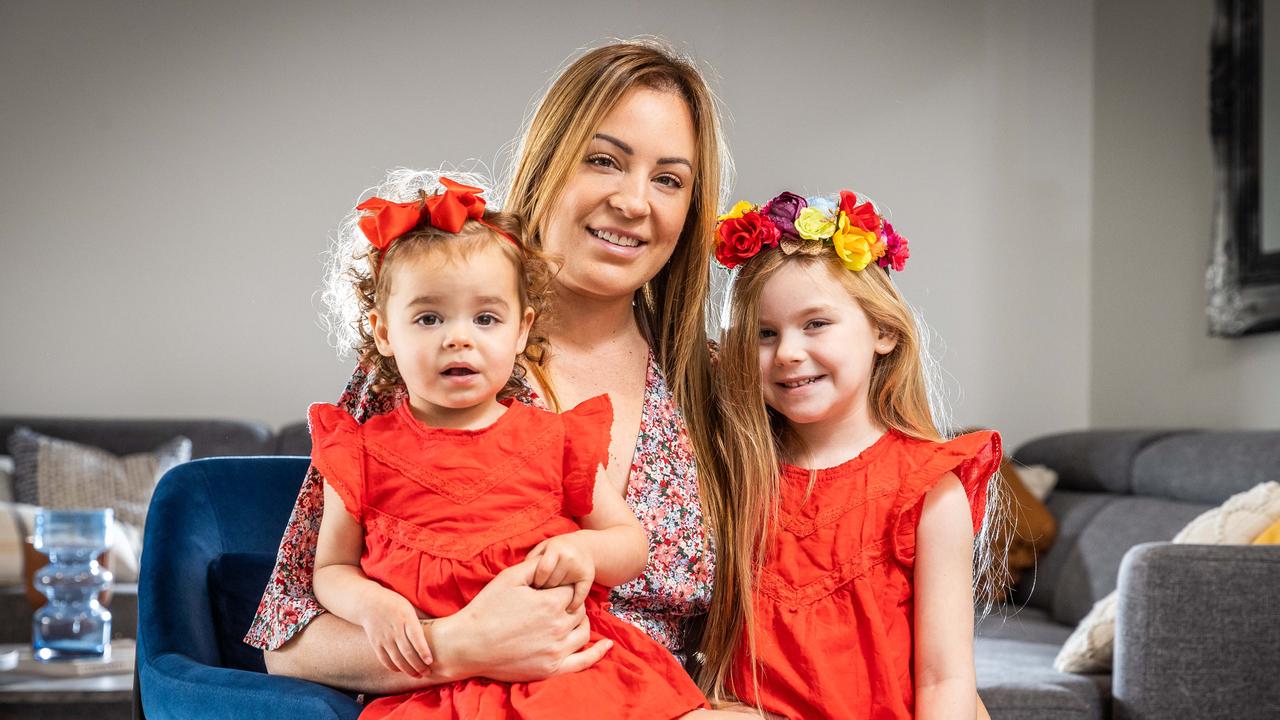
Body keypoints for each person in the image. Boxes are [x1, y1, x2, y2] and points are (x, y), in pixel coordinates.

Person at [245, 40, 747, 702]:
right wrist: (460, 645)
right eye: (604, 161)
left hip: (654, 698)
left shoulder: (716, 384)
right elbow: (291, 642)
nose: (633, 201)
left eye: (668, 179)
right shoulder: (434, 372)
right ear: (550, 164)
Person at [306, 177, 709, 718]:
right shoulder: (359, 452)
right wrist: (372, 603)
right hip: (439, 692)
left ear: (521, 332)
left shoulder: (555, 438)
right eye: (429, 318)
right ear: (383, 333)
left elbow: (628, 543)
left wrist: (584, 551)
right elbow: (330, 568)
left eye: (486, 319)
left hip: (570, 671)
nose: (459, 338)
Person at [707, 189, 1005, 719]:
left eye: (815, 323)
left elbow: (945, 678)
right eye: (763, 334)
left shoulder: (928, 489)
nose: (789, 353)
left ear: (884, 331)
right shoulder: (734, 471)